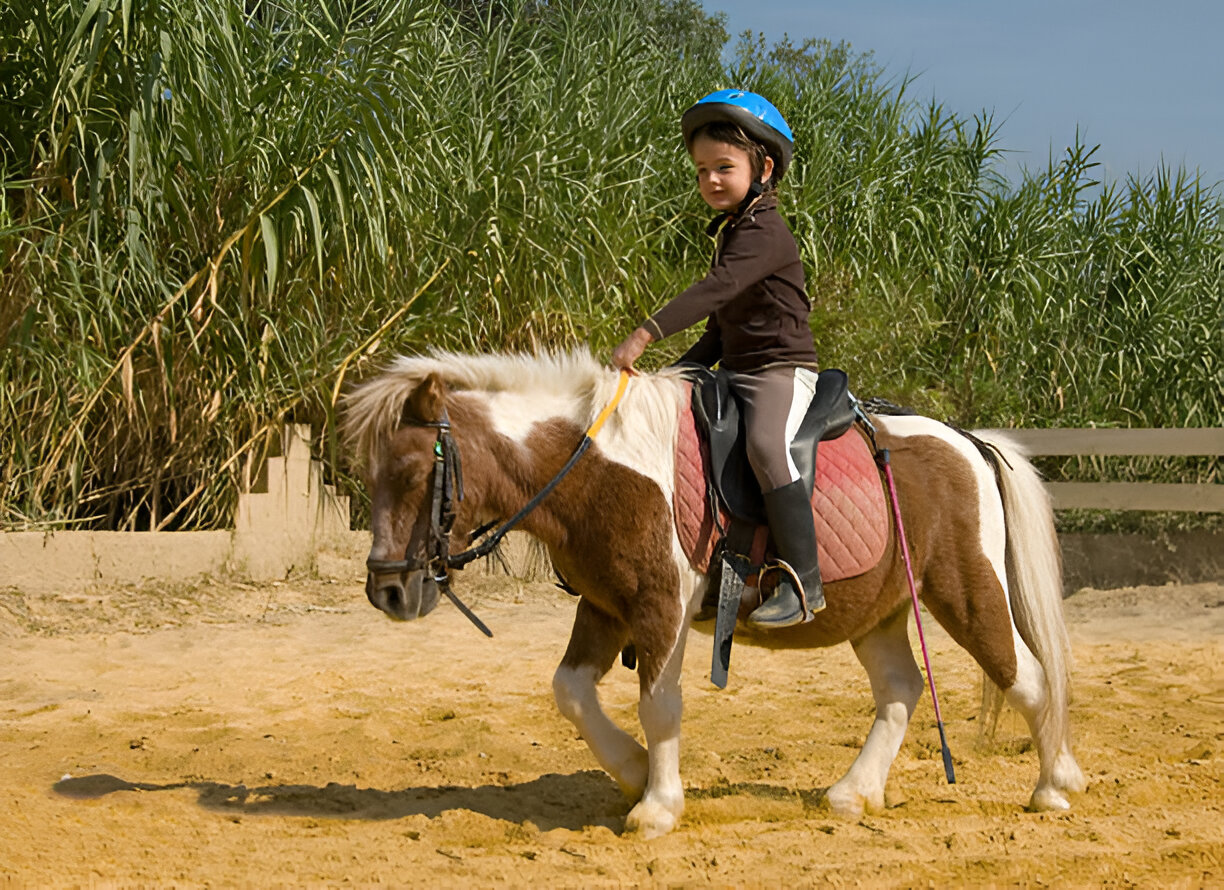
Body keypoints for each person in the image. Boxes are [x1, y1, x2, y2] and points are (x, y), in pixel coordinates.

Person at [611, 88, 824, 629]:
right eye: (702, 169)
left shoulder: (766, 232)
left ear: (765, 166)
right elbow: (719, 328)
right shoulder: (734, 231)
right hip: (735, 370)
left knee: (764, 446)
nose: (710, 180)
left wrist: (645, 334)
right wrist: (672, 373)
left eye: (724, 167)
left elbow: (717, 289)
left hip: (779, 370)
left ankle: (804, 582)